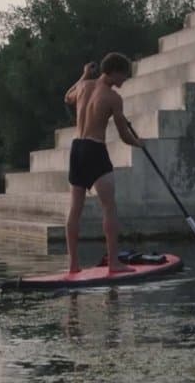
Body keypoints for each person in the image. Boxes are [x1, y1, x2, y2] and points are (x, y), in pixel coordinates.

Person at [63, 53, 143, 275]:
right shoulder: (114, 98)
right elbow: (124, 136)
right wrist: (140, 144)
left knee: (75, 209)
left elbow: (66, 97)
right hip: (95, 149)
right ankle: (114, 264)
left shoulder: (83, 86)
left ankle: (73, 265)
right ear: (115, 71)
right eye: (124, 75)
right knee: (109, 206)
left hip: (76, 148)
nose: (125, 80)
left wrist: (83, 75)